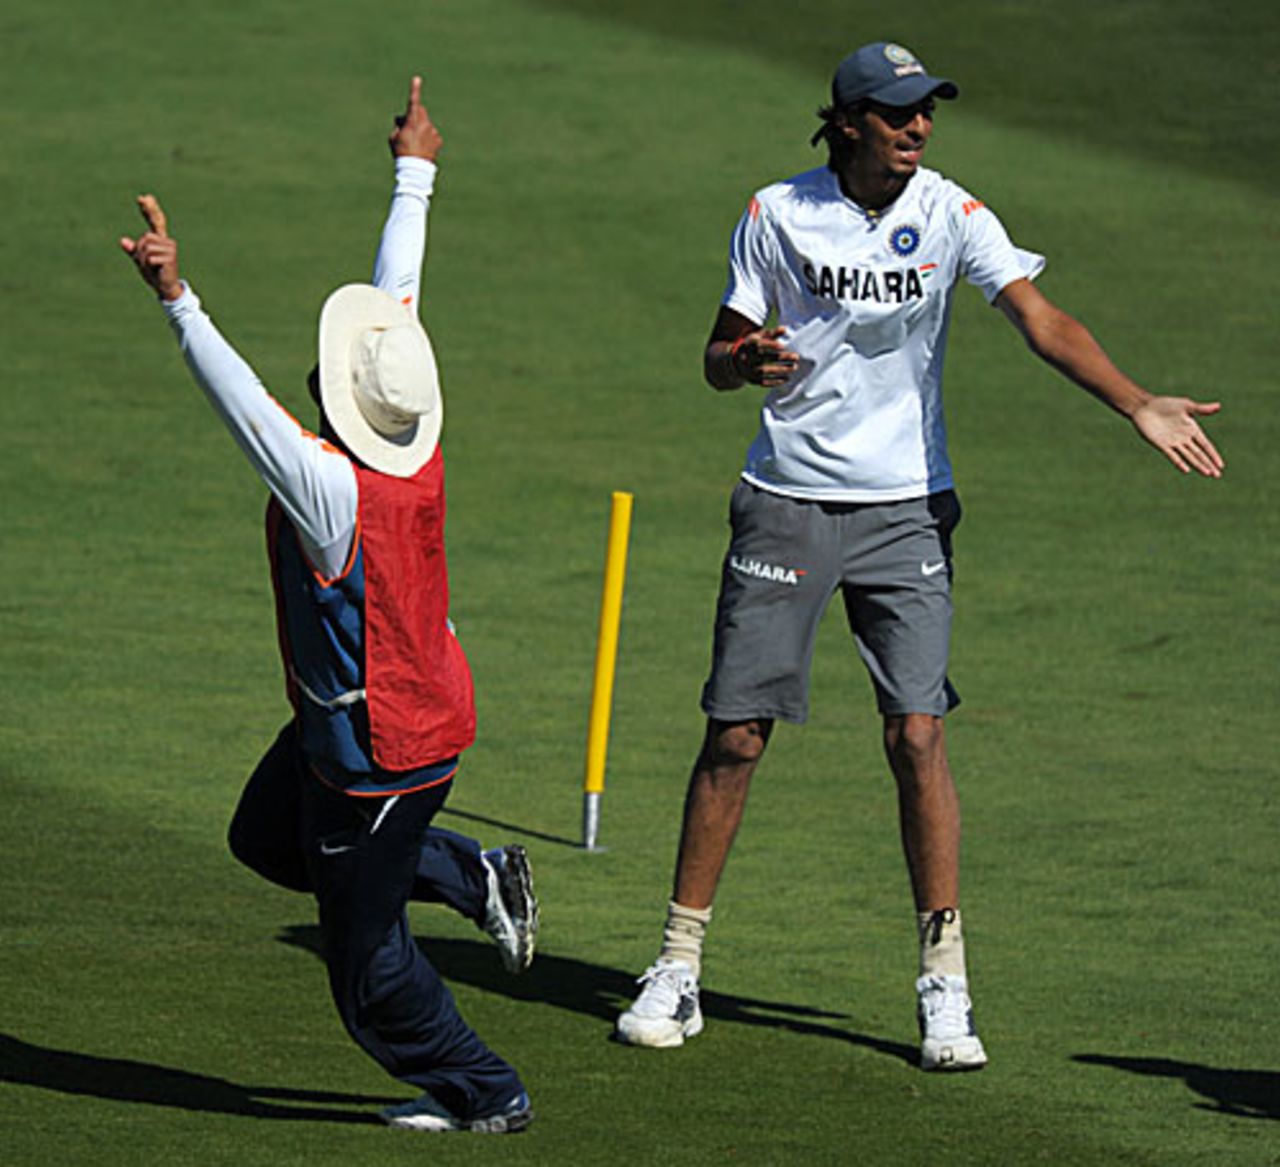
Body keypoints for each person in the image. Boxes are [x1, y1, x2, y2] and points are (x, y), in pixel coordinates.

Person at [615, 42, 1223, 1070]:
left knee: (916, 736)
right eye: (897, 113)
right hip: (787, 502)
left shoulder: (949, 212)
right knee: (736, 735)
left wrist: (1133, 402)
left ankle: (943, 984)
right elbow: (719, 353)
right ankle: (676, 965)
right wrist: (743, 359)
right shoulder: (775, 214)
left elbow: (1038, 318)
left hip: (905, 510)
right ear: (846, 121)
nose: (917, 128)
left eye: (926, 112)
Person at [121, 76, 538, 1133]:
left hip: (379, 752)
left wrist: (180, 300)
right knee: (265, 838)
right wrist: (414, 171)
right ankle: (473, 871)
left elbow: (246, 413)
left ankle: (482, 1090)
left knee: (366, 971)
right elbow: (397, 303)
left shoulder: (327, 486)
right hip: (375, 715)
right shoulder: (412, 443)